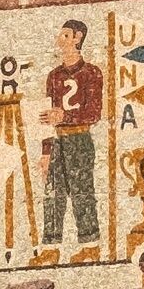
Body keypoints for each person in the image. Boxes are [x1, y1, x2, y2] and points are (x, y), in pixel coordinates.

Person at [40, 17, 105, 256]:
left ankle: (90, 245)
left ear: (78, 38)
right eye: (61, 34)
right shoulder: (54, 76)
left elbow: (93, 113)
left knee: (82, 192)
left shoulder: (91, 73)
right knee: (52, 193)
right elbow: (47, 119)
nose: (61, 39)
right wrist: (46, 152)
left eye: (66, 35)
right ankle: (51, 247)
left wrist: (65, 116)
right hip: (57, 140)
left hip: (79, 138)